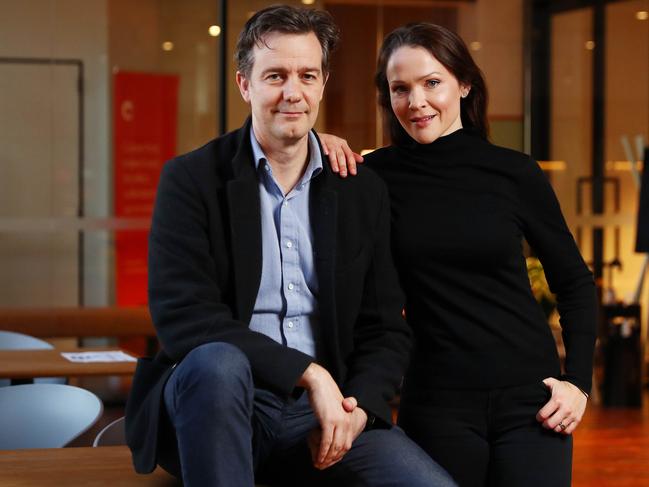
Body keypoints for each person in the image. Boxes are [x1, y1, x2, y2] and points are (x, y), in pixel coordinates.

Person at [124, 6, 455, 487]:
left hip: (325, 413)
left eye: (307, 75)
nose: (292, 92)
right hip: (222, 404)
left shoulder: (360, 188)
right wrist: (309, 373)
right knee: (218, 362)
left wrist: (357, 407)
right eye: (275, 75)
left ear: (322, 84)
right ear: (245, 85)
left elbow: (384, 328)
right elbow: (184, 319)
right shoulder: (192, 179)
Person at [319, 23, 596, 487]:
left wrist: (580, 383)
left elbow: (574, 282)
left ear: (464, 84)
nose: (416, 101)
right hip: (436, 400)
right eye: (400, 89)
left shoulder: (514, 172)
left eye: (432, 83)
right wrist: (317, 144)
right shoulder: (373, 178)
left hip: (532, 399)